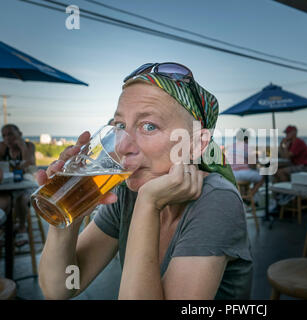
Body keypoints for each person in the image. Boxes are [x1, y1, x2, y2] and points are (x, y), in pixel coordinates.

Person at [37, 62, 253, 300]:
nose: (122, 145)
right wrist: (67, 219)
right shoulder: (127, 191)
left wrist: (147, 204)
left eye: (149, 126)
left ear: (196, 144)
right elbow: (60, 288)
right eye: (120, 125)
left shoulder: (217, 200)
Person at [0, 124, 36, 246]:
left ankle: (22, 228)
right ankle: (6, 230)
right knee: (5, 199)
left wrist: (22, 147)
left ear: (19, 134)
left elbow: (30, 164)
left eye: (10, 134)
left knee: (21, 198)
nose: (7, 138)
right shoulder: (3, 148)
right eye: (4, 135)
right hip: (8, 186)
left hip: (26, 186)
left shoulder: (29, 146)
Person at [226, 129, 264, 198]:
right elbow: (253, 165)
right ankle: (249, 198)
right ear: (247, 138)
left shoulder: (231, 146)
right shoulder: (246, 146)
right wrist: (256, 160)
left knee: (248, 177)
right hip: (241, 173)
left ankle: (244, 195)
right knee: (262, 178)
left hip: (231, 173)